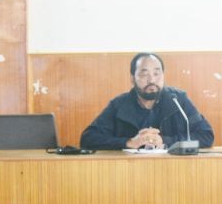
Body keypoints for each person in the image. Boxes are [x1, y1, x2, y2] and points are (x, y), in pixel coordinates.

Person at [80, 53, 214, 150]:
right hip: (129, 173)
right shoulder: (119, 105)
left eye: (157, 73)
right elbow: (88, 139)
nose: (152, 80)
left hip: (174, 171)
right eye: (144, 74)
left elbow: (206, 135)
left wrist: (165, 141)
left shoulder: (178, 100)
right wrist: (129, 142)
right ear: (133, 78)